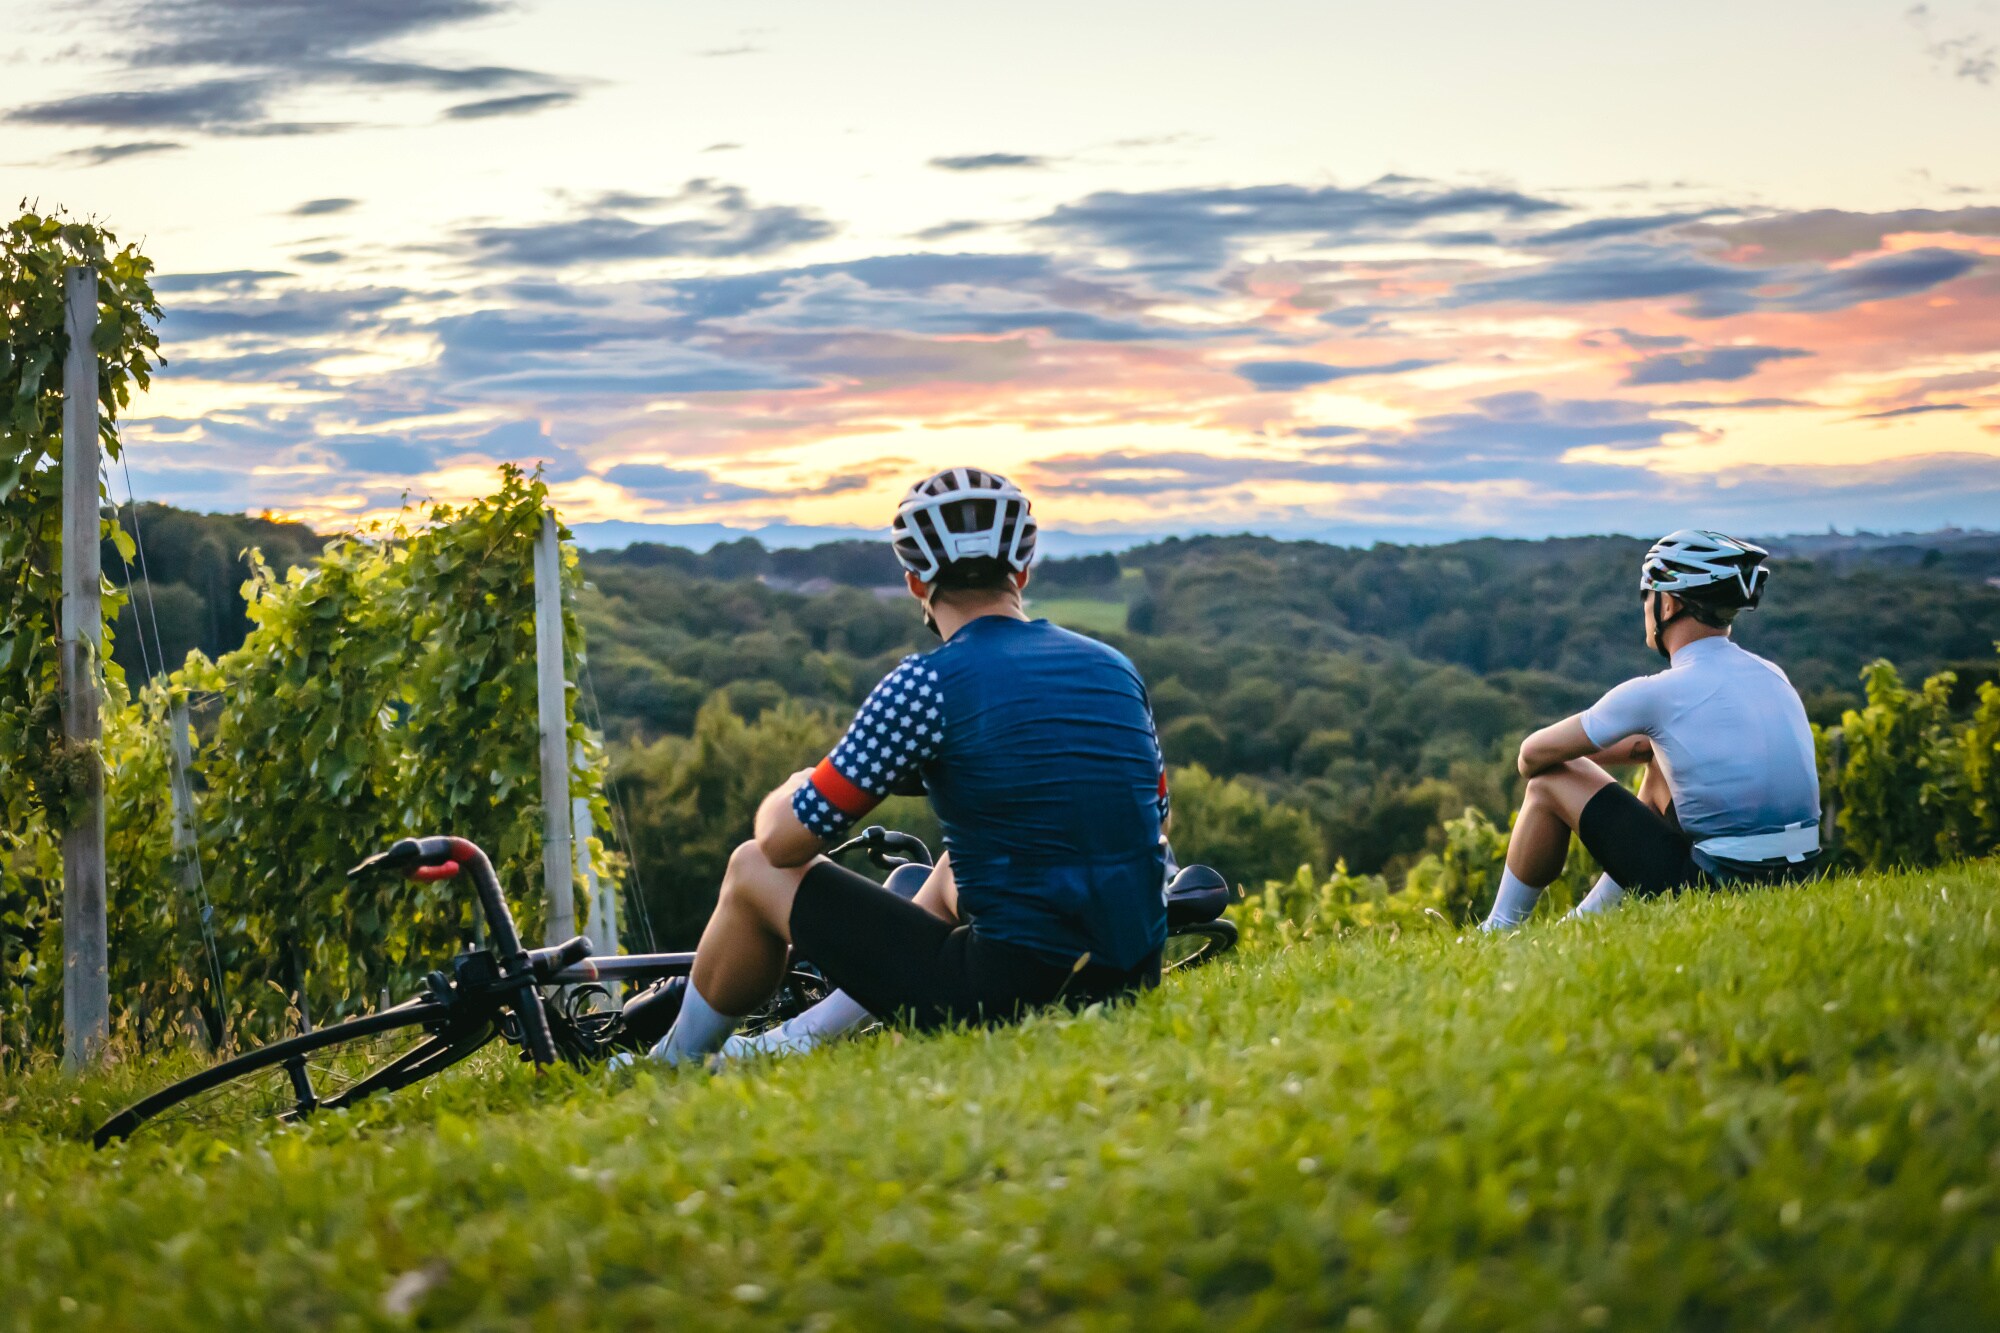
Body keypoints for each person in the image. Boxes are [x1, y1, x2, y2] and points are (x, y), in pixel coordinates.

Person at [640, 466, 1172, 1067]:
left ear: (917, 584)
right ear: (1022, 572)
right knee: (951, 867)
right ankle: (807, 1034)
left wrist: (791, 790)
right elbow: (1152, 826)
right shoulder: (1114, 669)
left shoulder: (924, 687)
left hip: (1006, 995)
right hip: (1127, 981)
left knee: (751, 866)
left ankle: (673, 1062)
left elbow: (784, 844)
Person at [1481, 530, 1822, 930]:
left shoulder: (1656, 694)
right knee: (1662, 762)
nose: (1645, 606)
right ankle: (1587, 919)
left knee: (1548, 782)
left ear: (1670, 602)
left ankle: (1498, 929)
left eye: (1648, 594)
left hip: (1715, 886)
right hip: (1797, 877)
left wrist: (1618, 747)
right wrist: (1648, 746)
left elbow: (1531, 756)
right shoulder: (1772, 673)